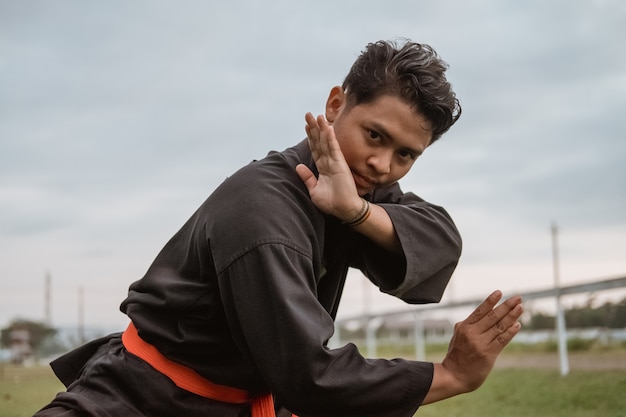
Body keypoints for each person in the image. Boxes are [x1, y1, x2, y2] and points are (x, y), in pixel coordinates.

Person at [34, 39, 523, 417]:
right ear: (336, 105)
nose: (381, 165)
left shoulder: (353, 188)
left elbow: (440, 237)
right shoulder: (263, 210)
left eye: (406, 155)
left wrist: (355, 214)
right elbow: (310, 376)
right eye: (375, 135)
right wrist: (451, 374)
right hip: (140, 401)